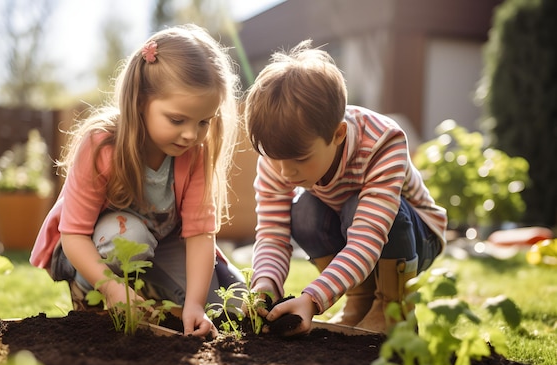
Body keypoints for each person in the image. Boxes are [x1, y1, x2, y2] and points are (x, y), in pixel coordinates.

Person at [30, 24, 244, 337]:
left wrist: (195, 305)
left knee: (228, 301)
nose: (191, 134)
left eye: (203, 122)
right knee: (128, 238)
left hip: (164, 241)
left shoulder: (194, 152)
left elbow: (200, 234)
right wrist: (112, 287)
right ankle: (90, 296)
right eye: (177, 120)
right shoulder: (101, 147)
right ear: (140, 102)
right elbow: (74, 235)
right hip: (94, 246)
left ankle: (146, 298)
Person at [243, 41, 447, 336]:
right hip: (351, 228)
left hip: (418, 235)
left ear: (338, 134)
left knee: (355, 206)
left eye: (301, 159)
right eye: (275, 160)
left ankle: (393, 308)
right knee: (303, 212)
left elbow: (366, 239)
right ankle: (359, 301)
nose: (286, 173)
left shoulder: (382, 142)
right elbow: (272, 234)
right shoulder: (279, 156)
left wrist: (313, 299)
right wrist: (265, 286)